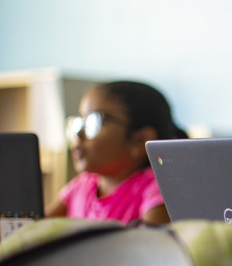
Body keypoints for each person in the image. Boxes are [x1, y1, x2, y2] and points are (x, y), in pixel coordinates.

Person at [46, 80, 186, 225]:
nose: (79, 133)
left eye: (93, 122)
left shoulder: (156, 189)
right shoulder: (82, 184)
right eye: (80, 121)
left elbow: (151, 244)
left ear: (139, 140)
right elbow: (33, 230)